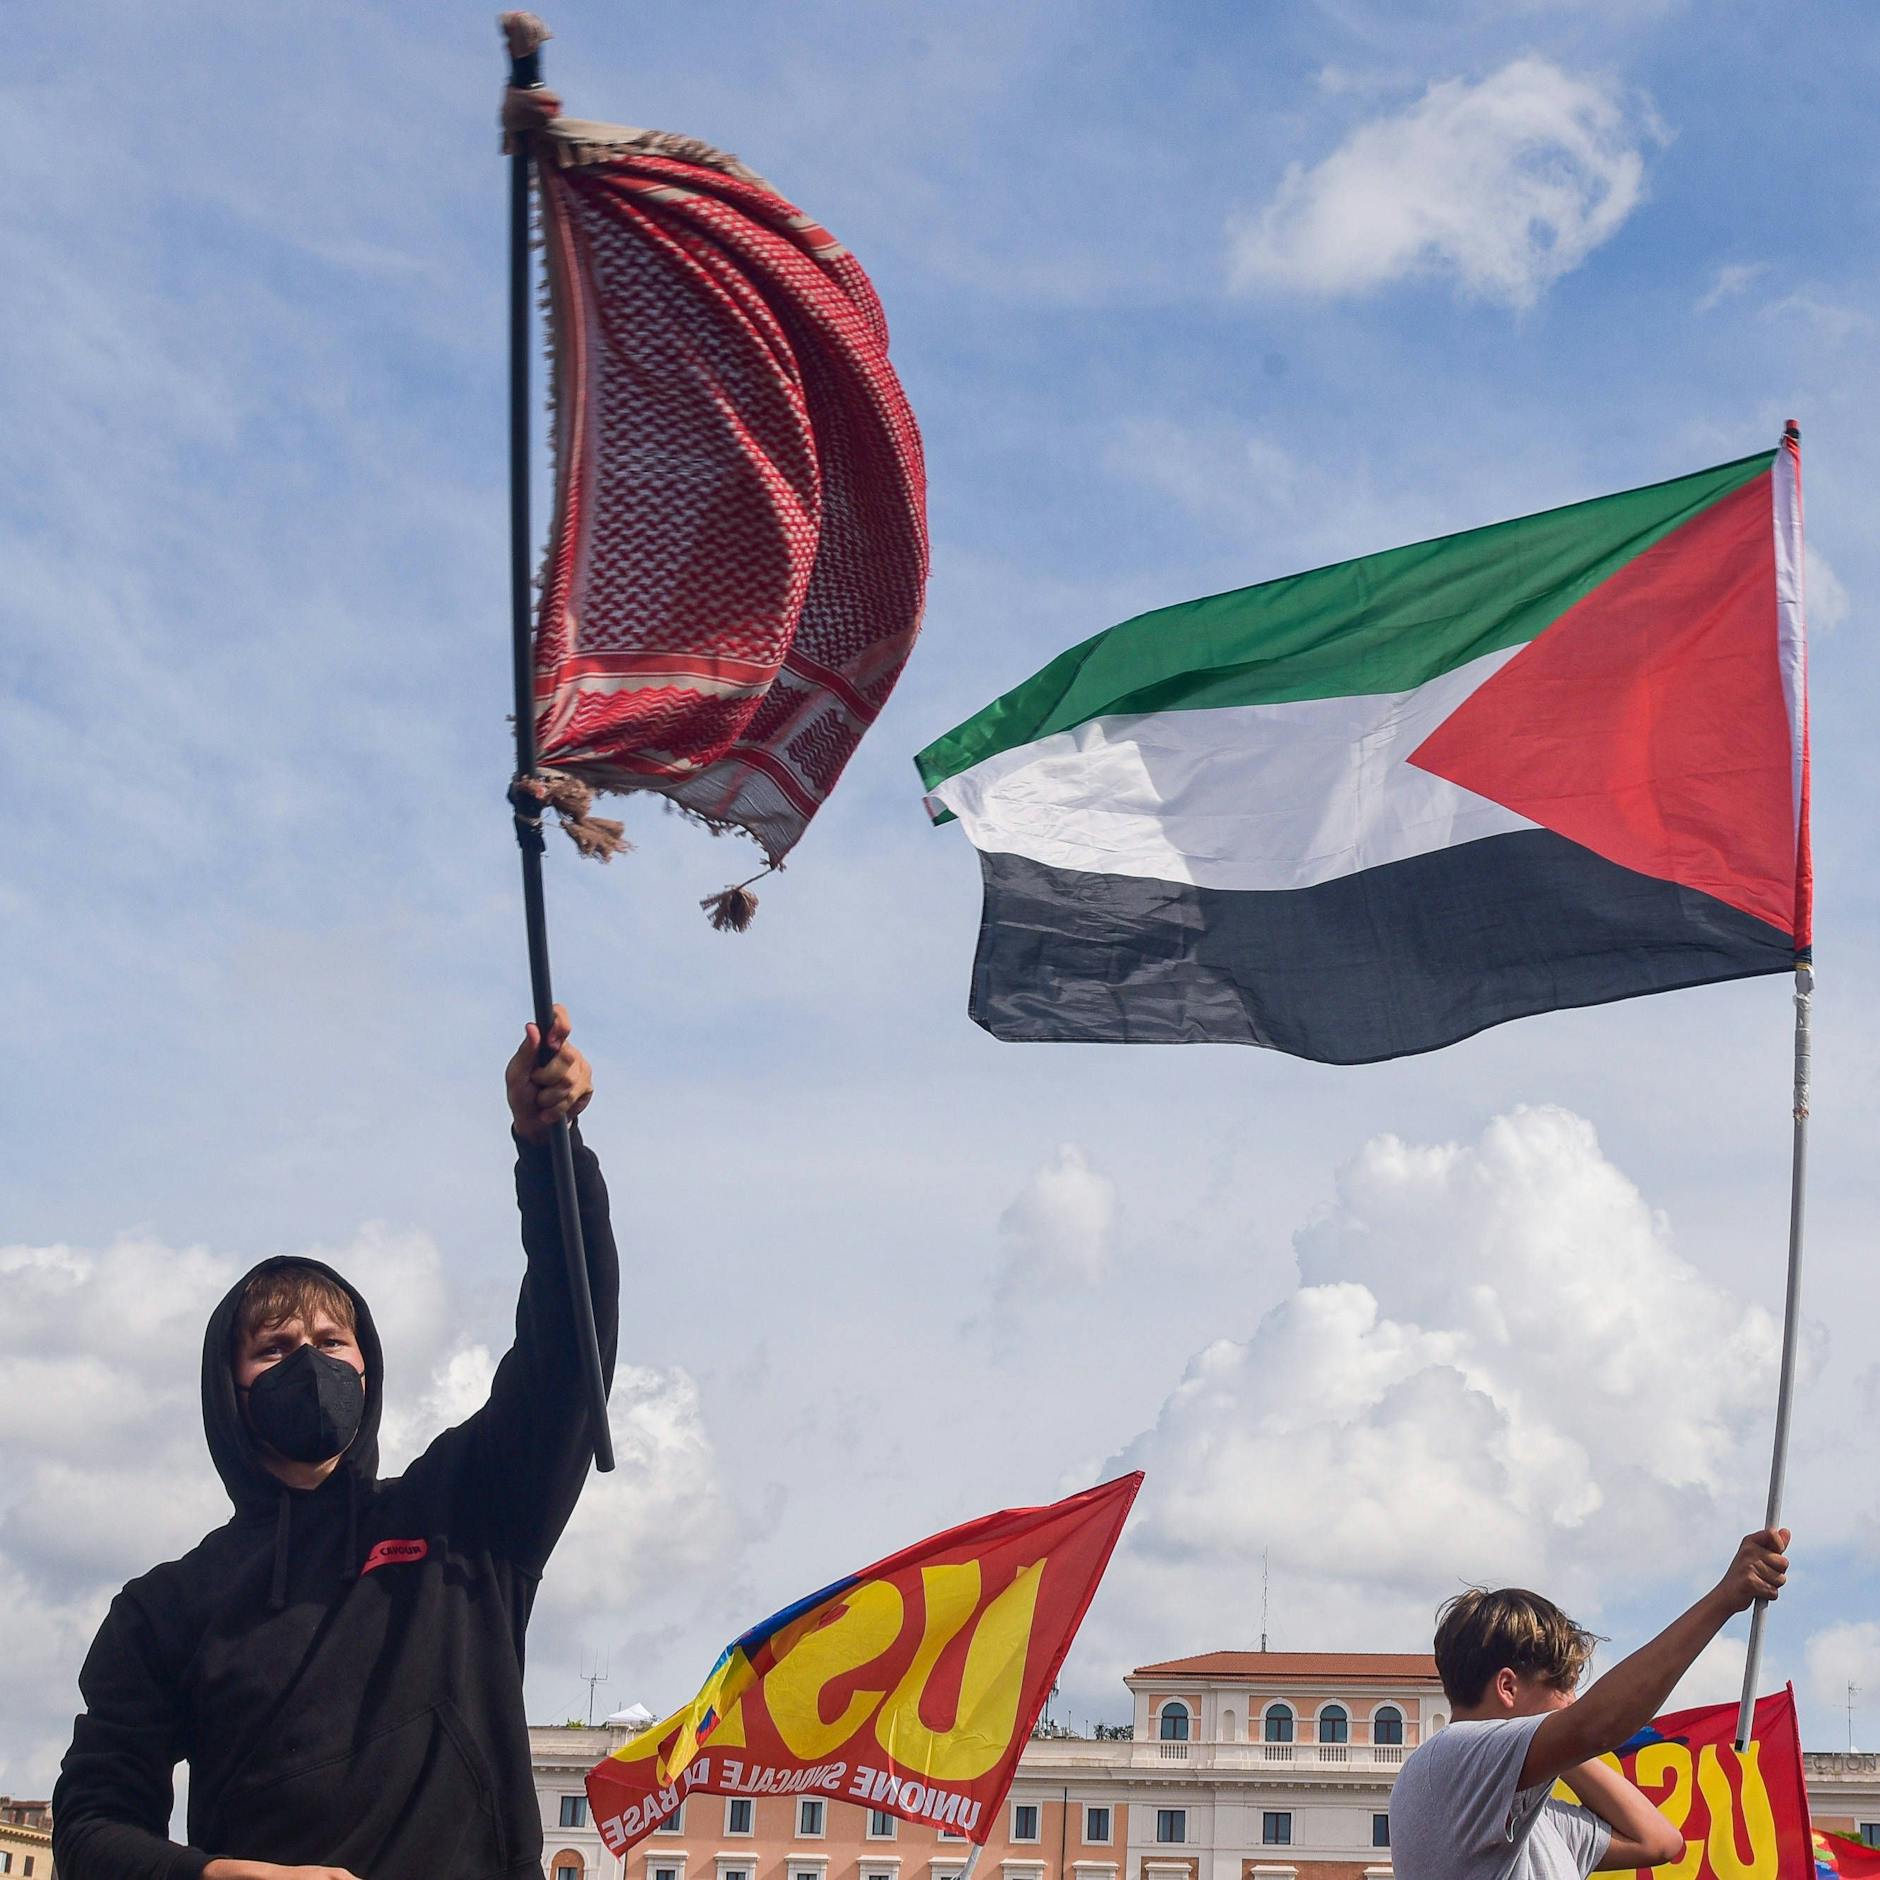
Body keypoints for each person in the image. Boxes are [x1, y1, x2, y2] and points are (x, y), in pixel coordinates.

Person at [52, 1007, 618, 1880]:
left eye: (332, 1342)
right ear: (227, 1386)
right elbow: (90, 1827)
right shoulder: (165, 1607)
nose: (309, 1363)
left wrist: (552, 1156)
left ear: (370, 1365)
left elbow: (564, 1354)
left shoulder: (469, 1515)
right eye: (275, 1349)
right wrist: (216, 1877)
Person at [1390, 1527, 1792, 1880]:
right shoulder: (1449, 1760)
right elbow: (1596, 1726)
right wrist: (1724, 1598)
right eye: (1562, 1689)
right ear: (1508, 1687)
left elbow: (1659, 1841)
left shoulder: (1534, 1821)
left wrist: (1569, 1745)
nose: (1573, 1703)